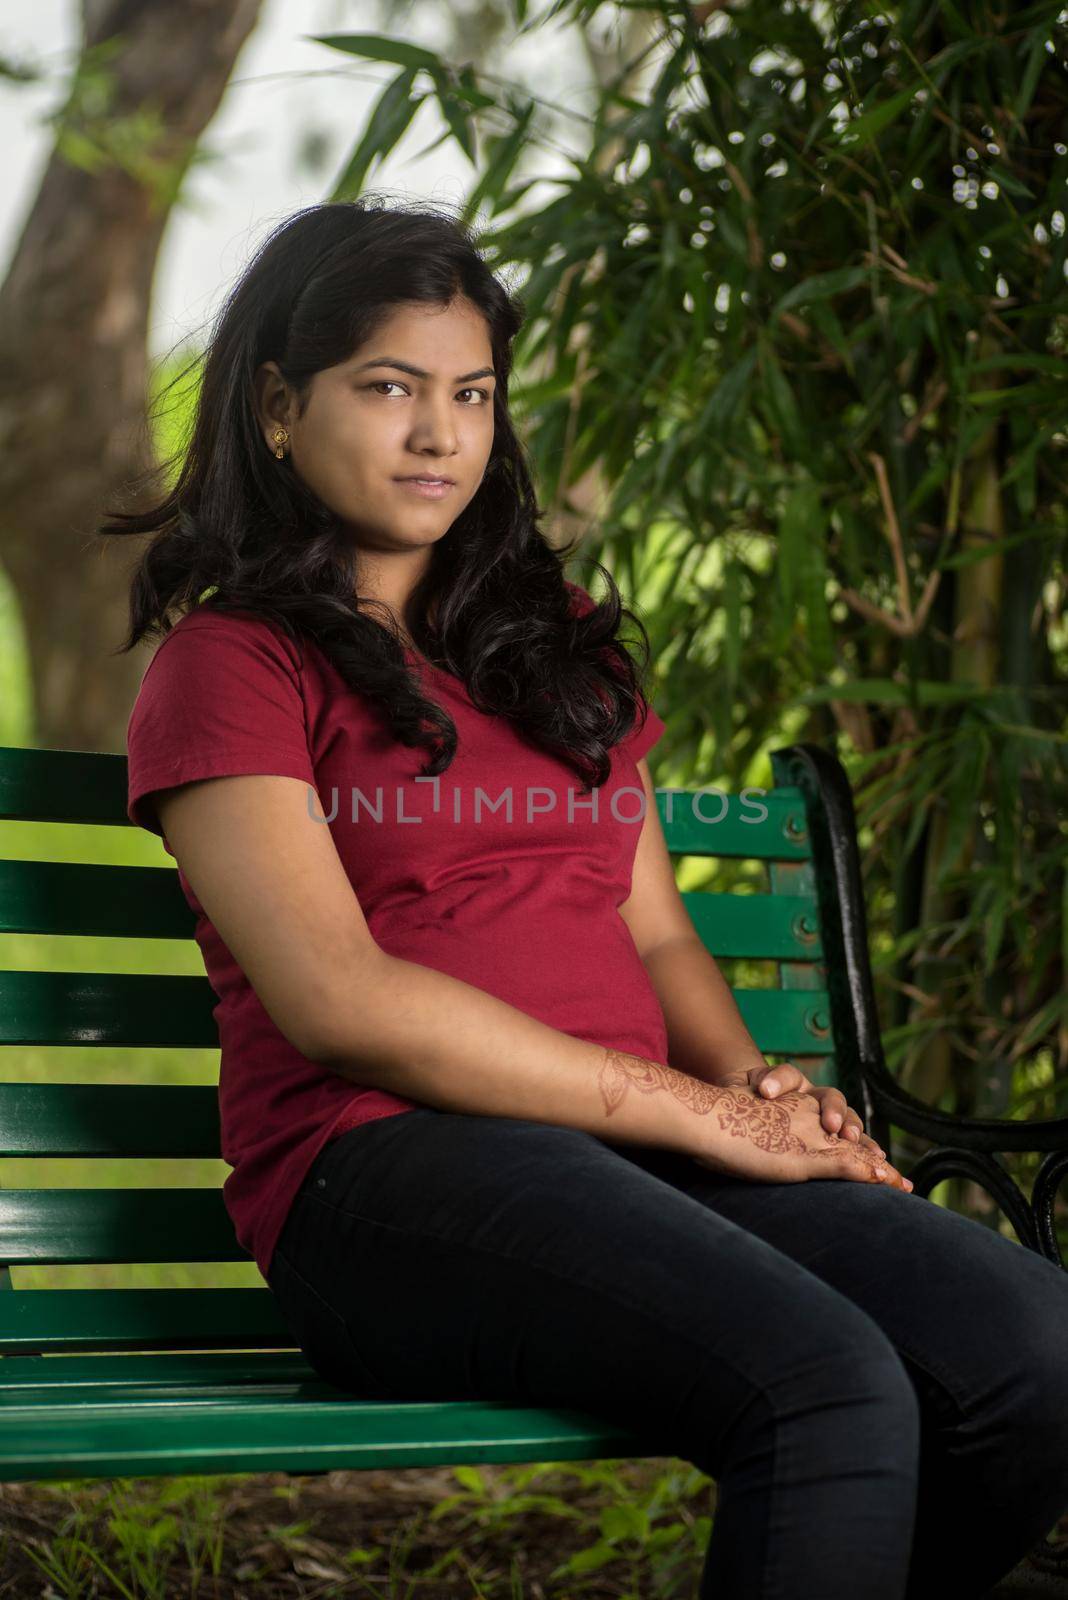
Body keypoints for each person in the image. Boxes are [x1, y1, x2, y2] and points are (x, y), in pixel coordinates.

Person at [104, 197, 1068, 1599]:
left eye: (472, 395)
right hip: (380, 1175)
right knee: (826, 1381)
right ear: (274, 406)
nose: (439, 435)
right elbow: (343, 1005)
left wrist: (766, 1091)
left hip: (636, 1156)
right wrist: (705, 1115)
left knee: (1035, 1352)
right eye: (389, 389)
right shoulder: (233, 667)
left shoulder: (547, 651)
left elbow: (655, 926)